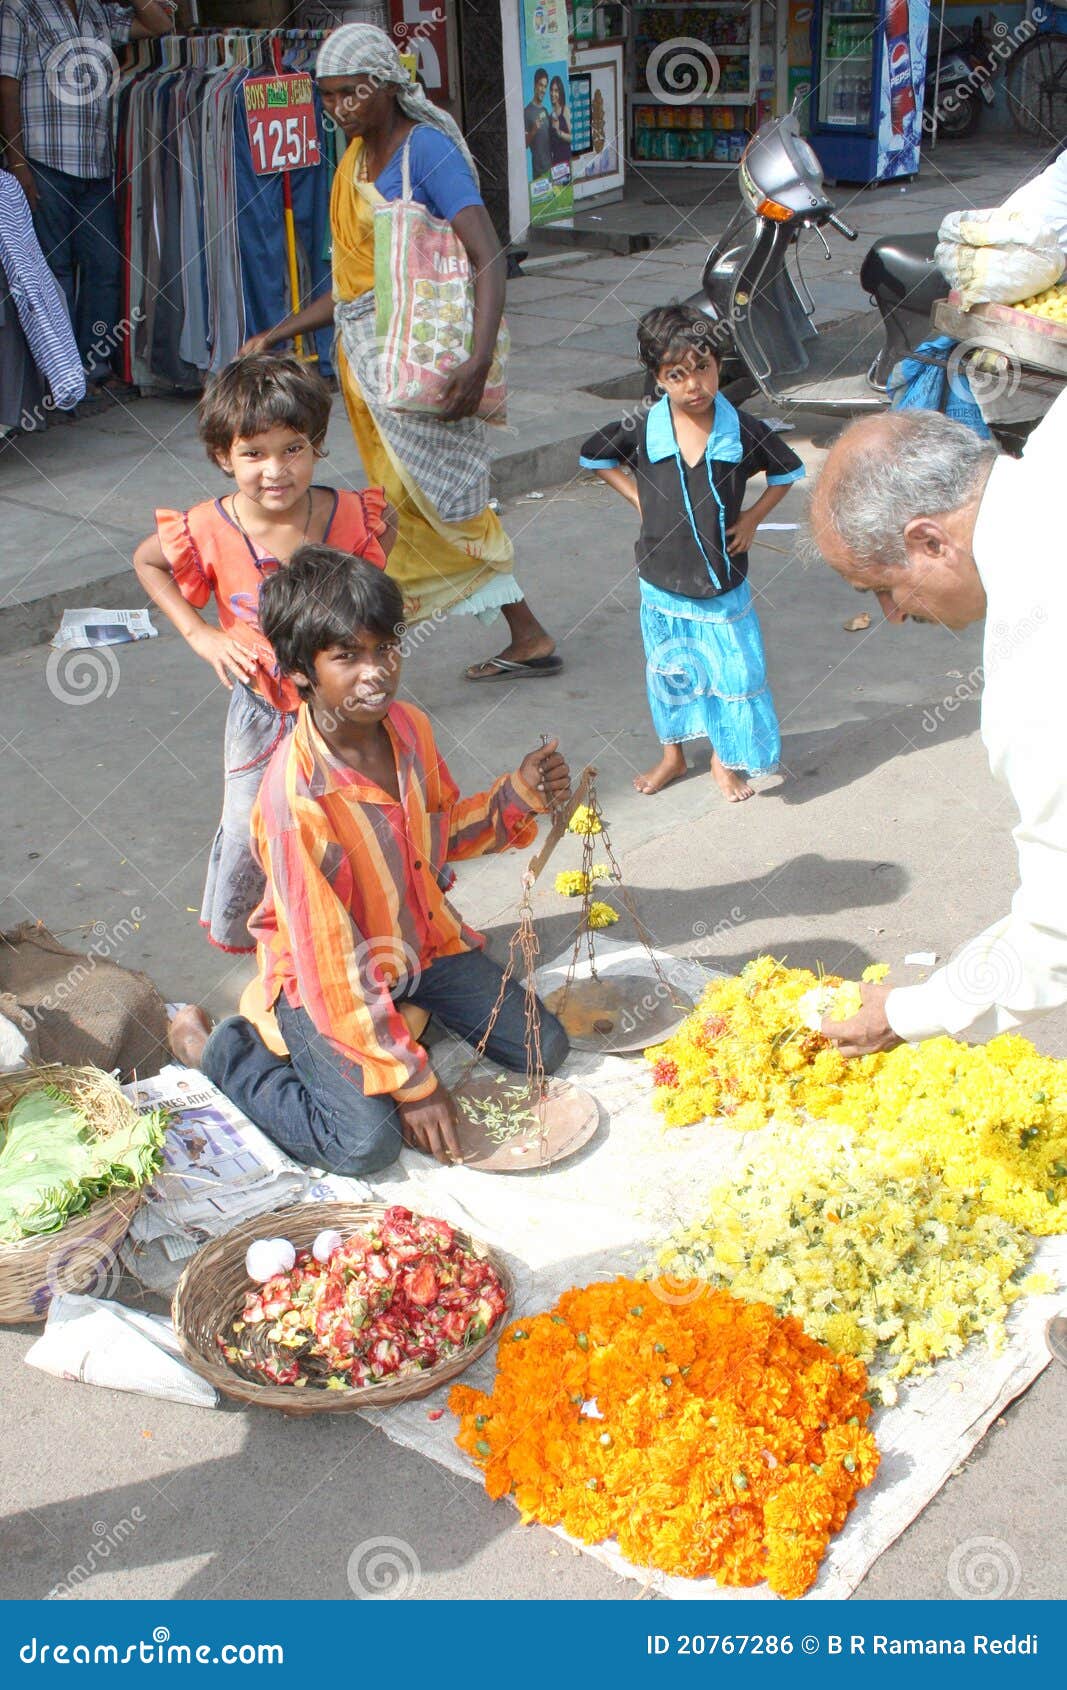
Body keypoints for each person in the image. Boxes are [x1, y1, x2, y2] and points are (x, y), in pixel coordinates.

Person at [169, 548, 572, 1175]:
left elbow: (435, 837)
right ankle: (221, 1050)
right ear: (301, 671)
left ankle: (401, 1023)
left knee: (545, 1048)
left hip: (420, 945)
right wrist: (415, 1086)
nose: (376, 673)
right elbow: (330, 965)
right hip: (321, 981)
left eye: (386, 649)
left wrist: (516, 795)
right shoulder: (293, 801)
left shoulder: (408, 728)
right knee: (366, 1144)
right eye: (347, 657)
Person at [238, 22, 560, 685]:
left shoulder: (428, 154)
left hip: (428, 371)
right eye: (326, 99)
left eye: (347, 96)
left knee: (437, 509)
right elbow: (353, 288)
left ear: (382, 86)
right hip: (370, 374)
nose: (337, 110)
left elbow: (487, 257)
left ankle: (364, 652)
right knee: (406, 507)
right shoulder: (352, 165)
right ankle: (515, 633)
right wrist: (281, 332)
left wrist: (475, 362)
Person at [805, 397, 1067, 1059]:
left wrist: (912, 1010)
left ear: (928, 540)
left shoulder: (1037, 666)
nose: (890, 615)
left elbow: (1058, 927)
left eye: (879, 588)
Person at [132, 353, 395, 954]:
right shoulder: (204, 528)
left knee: (352, 817)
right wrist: (202, 635)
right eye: (254, 453)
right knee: (257, 823)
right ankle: (273, 946)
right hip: (260, 714)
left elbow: (381, 559)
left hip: (345, 714)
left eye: (292, 449)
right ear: (224, 457)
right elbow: (149, 562)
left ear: (317, 446)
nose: (275, 470)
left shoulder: (352, 516)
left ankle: (363, 933)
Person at [579, 304, 804, 800]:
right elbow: (594, 456)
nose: (694, 385)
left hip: (721, 582)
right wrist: (640, 497)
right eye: (676, 375)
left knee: (732, 673)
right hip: (661, 578)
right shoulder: (643, 425)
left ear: (719, 364)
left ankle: (726, 759)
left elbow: (787, 471)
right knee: (672, 673)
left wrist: (751, 518)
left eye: (703, 368)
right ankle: (674, 757)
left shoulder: (741, 427)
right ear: (659, 379)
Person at [0, 0, 176, 413]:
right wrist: (16, 161)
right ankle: (54, 383)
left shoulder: (97, 11)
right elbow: (6, 87)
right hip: (44, 160)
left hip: (95, 164)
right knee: (53, 272)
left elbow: (160, 24)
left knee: (104, 269)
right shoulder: (21, 9)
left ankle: (92, 369)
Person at [525, 67, 552, 179]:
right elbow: (524, 145)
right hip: (539, 174)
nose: (543, 90)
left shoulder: (545, 111)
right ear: (535, 85)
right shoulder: (526, 112)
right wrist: (533, 130)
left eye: (545, 86)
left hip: (552, 170)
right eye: (541, 85)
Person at [548, 74, 571, 169]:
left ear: (560, 92)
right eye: (551, 90)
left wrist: (559, 133)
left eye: (556, 90)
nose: (553, 93)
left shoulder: (565, 110)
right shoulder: (550, 116)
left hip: (566, 162)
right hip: (555, 164)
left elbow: (573, 138)